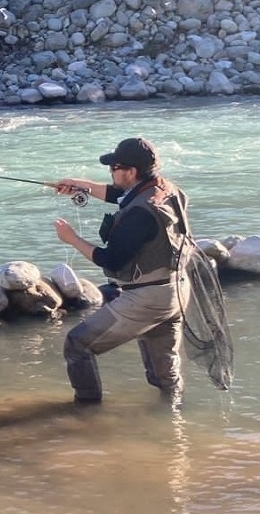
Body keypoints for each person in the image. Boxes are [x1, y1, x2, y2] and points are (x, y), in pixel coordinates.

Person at [52, 137, 193, 403]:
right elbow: (117, 193)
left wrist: (70, 238)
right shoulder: (163, 188)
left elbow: (111, 260)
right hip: (177, 291)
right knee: (165, 377)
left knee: (78, 344)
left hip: (147, 299)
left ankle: (87, 412)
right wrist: (77, 184)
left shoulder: (140, 213)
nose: (111, 172)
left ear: (131, 172)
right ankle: (173, 424)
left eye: (114, 167)